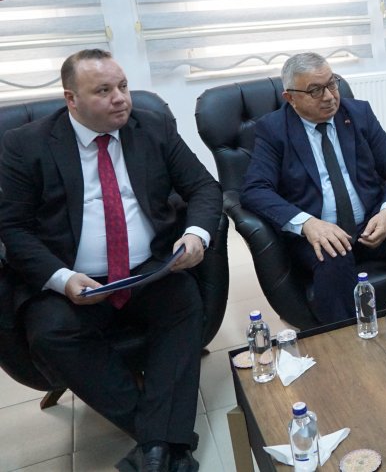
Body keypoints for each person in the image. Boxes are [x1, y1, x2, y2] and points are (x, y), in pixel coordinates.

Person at [0, 49, 222, 471]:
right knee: (50, 333)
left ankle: (153, 448)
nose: (120, 98)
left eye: (122, 86)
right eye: (103, 91)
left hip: (149, 269)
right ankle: (165, 442)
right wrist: (62, 278)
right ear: (71, 99)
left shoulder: (153, 126)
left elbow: (204, 188)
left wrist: (196, 234)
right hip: (73, 279)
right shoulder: (25, 145)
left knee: (183, 304)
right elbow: (13, 229)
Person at [241, 52, 386, 323]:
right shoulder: (273, 129)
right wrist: (307, 224)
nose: (329, 96)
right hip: (319, 232)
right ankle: (344, 338)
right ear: (290, 98)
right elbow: (255, 190)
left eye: (332, 83)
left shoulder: (358, 114)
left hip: (370, 223)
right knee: (332, 252)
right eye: (315, 90)